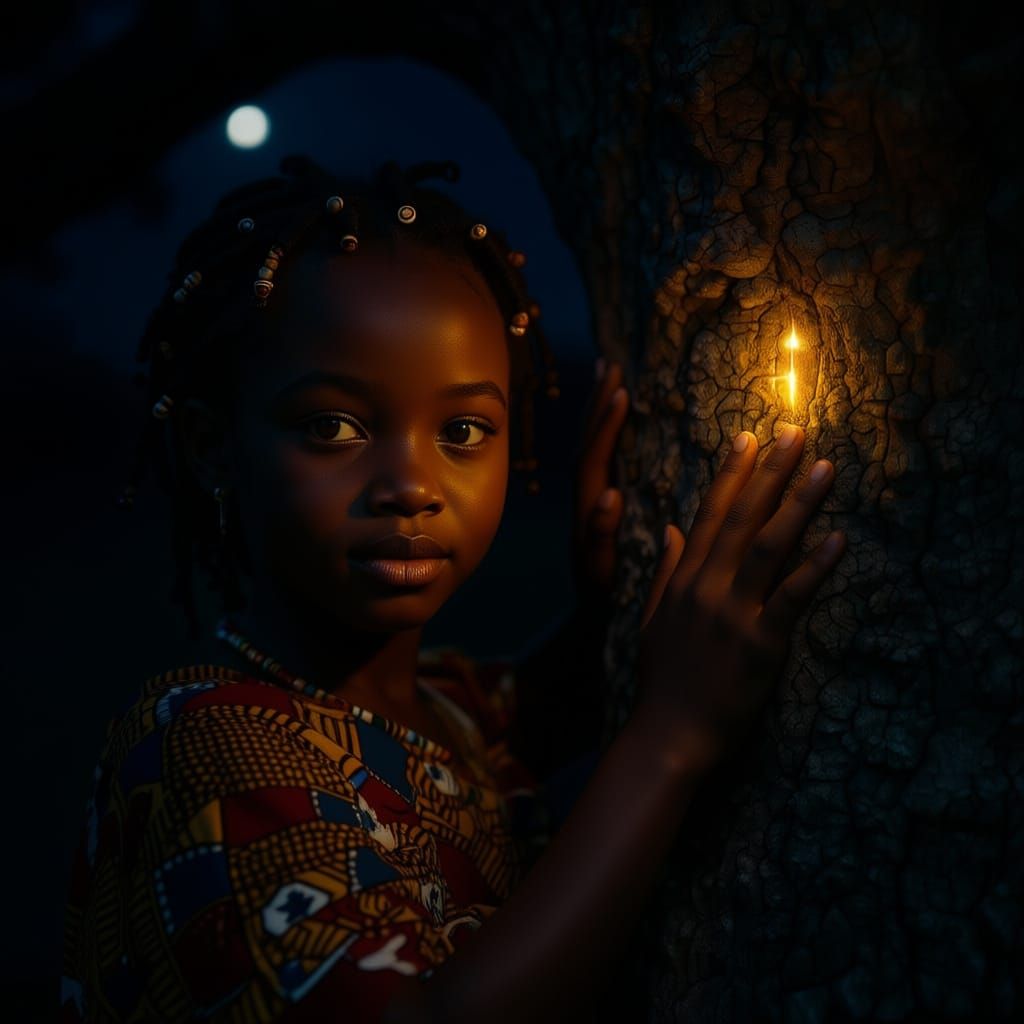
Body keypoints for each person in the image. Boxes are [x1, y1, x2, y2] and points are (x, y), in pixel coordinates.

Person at [61, 156, 847, 1023]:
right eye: (334, 427)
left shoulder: (446, 710)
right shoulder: (202, 747)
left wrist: (605, 612)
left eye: (464, 430)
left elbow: (535, 710)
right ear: (214, 448)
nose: (411, 485)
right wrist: (669, 739)